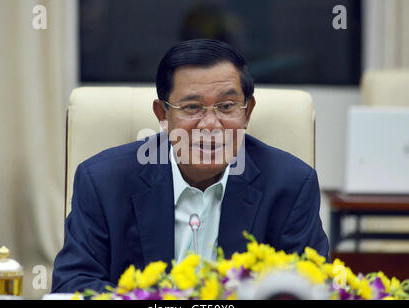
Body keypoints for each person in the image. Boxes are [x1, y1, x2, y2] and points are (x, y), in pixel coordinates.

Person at [51, 39, 329, 293]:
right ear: (163, 114)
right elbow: (74, 284)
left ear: (248, 112)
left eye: (227, 106)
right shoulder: (103, 181)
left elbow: (310, 287)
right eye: (192, 108)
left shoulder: (290, 184)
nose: (210, 125)